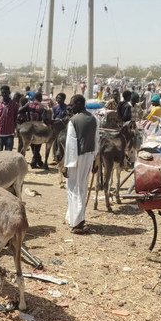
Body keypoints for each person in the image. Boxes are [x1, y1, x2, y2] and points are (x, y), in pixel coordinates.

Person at [63, 94, 100, 234]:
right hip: (89, 156)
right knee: (82, 187)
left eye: (72, 104)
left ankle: (78, 222)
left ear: (79, 104)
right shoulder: (95, 119)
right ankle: (74, 217)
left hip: (76, 158)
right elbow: (97, 141)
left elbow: (71, 145)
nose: (71, 107)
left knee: (74, 188)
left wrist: (67, 165)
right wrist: (95, 160)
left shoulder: (73, 121)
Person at [19, 92, 49, 168]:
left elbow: (21, 110)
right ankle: (35, 162)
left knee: (32, 146)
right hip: (39, 128)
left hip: (29, 126)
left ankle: (37, 162)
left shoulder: (29, 104)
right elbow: (45, 119)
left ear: (35, 97)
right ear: (41, 98)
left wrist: (25, 119)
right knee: (37, 147)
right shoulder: (42, 107)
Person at [0, 85, 18, 151]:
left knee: (8, 155)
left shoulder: (14, 105)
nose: (4, 94)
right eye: (2, 93)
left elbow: (15, 117)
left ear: (9, 92)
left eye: (5, 92)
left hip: (9, 134)